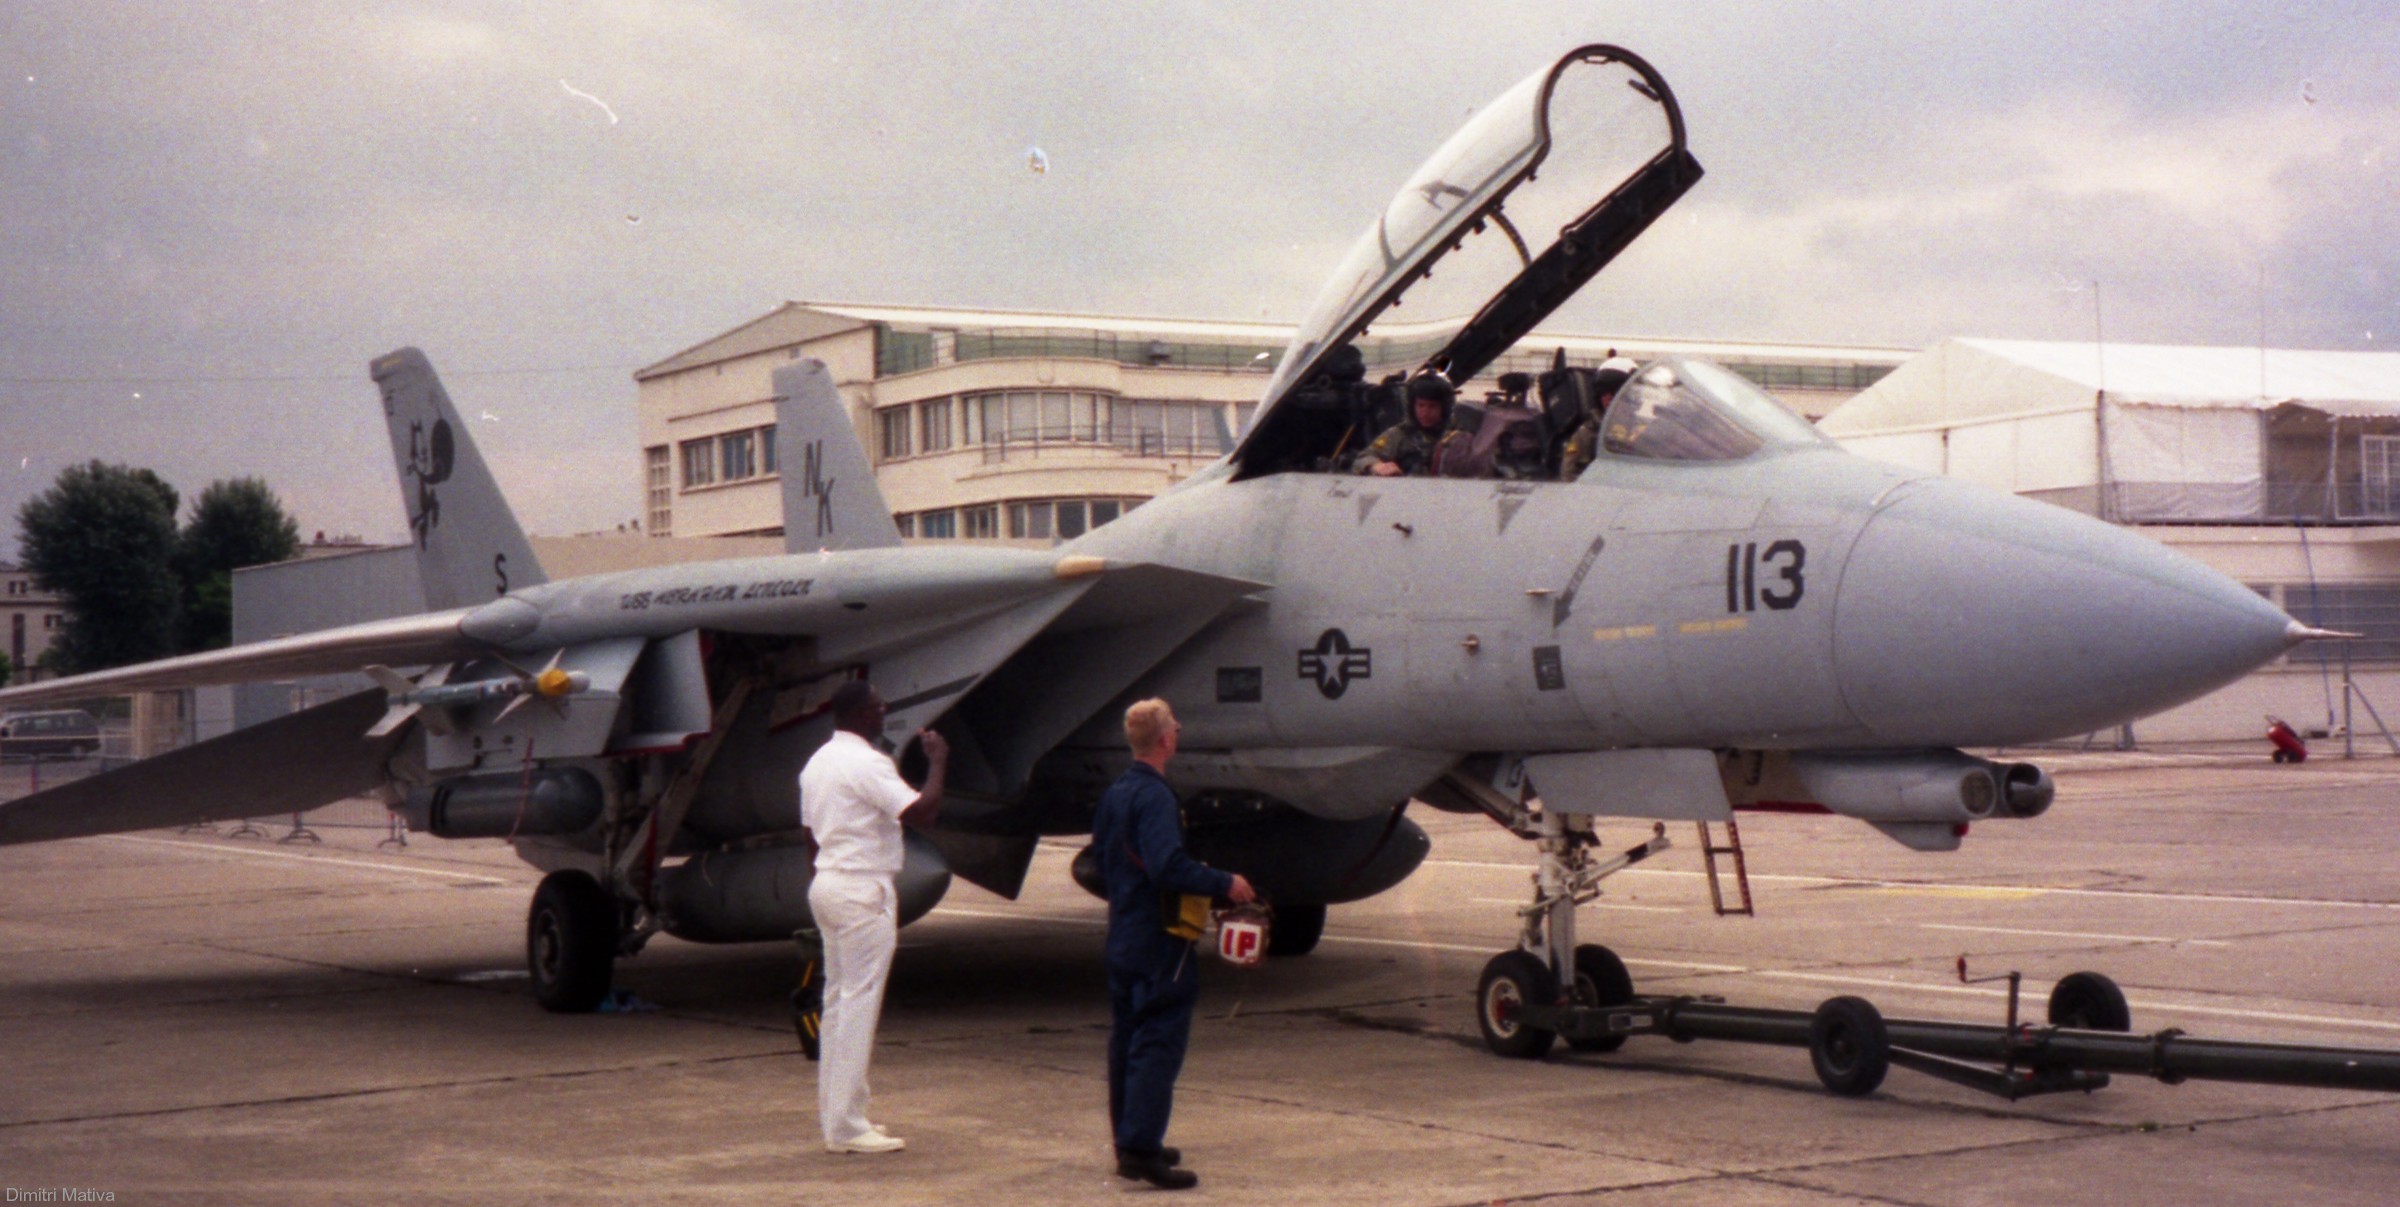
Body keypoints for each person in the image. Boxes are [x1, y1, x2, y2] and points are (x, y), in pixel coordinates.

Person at [1095, 698, 1257, 1190]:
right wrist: (1224, 882)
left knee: (1127, 1038)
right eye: (1176, 728)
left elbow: (1103, 861)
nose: (1179, 732)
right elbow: (1167, 866)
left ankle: (1128, 1141)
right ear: (1165, 740)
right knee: (1158, 1040)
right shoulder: (1157, 798)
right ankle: (1143, 1149)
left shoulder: (1117, 792)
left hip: (1123, 931)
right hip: (1159, 938)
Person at [800, 680, 947, 1155]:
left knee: (840, 1003)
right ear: (862, 714)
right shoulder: (867, 762)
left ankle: (842, 1116)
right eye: (879, 707)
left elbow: (809, 834)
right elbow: (921, 812)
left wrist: (828, 877)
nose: (884, 712)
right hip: (863, 887)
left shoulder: (817, 762)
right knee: (858, 1007)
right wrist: (938, 762)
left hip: (829, 883)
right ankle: (846, 1128)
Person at [1353, 374, 1459, 476]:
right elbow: (1362, 459)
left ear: (1445, 408)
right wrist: (1376, 466)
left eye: (1432, 406)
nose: (1425, 413)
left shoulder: (1459, 436)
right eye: (1421, 405)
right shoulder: (1398, 435)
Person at [1558, 356, 1640, 480]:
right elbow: (1568, 475)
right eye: (1627, 395)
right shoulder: (1586, 434)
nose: (1633, 400)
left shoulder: (1642, 429)